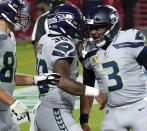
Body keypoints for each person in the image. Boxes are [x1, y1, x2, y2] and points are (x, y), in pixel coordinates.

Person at [79, 5, 147, 131]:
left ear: (111, 25)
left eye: (98, 27)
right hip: (112, 112)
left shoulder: (129, 40)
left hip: (140, 107)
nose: (93, 32)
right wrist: (84, 119)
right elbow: (87, 88)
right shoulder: (89, 51)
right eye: (92, 28)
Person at [33, 3, 105, 131]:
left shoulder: (45, 39)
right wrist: (96, 92)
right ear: (65, 24)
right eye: (77, 24)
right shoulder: (64, 45)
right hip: (55, 110)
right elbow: (61, 80)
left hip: (46, 108)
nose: (80, 28)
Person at [0, 0, 60, 130]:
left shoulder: (7, 37)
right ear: (6, 13)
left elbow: (6, 76)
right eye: (18, 11)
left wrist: (36, 80)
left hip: (3, 111)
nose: (21, 15)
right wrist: (13, 102)